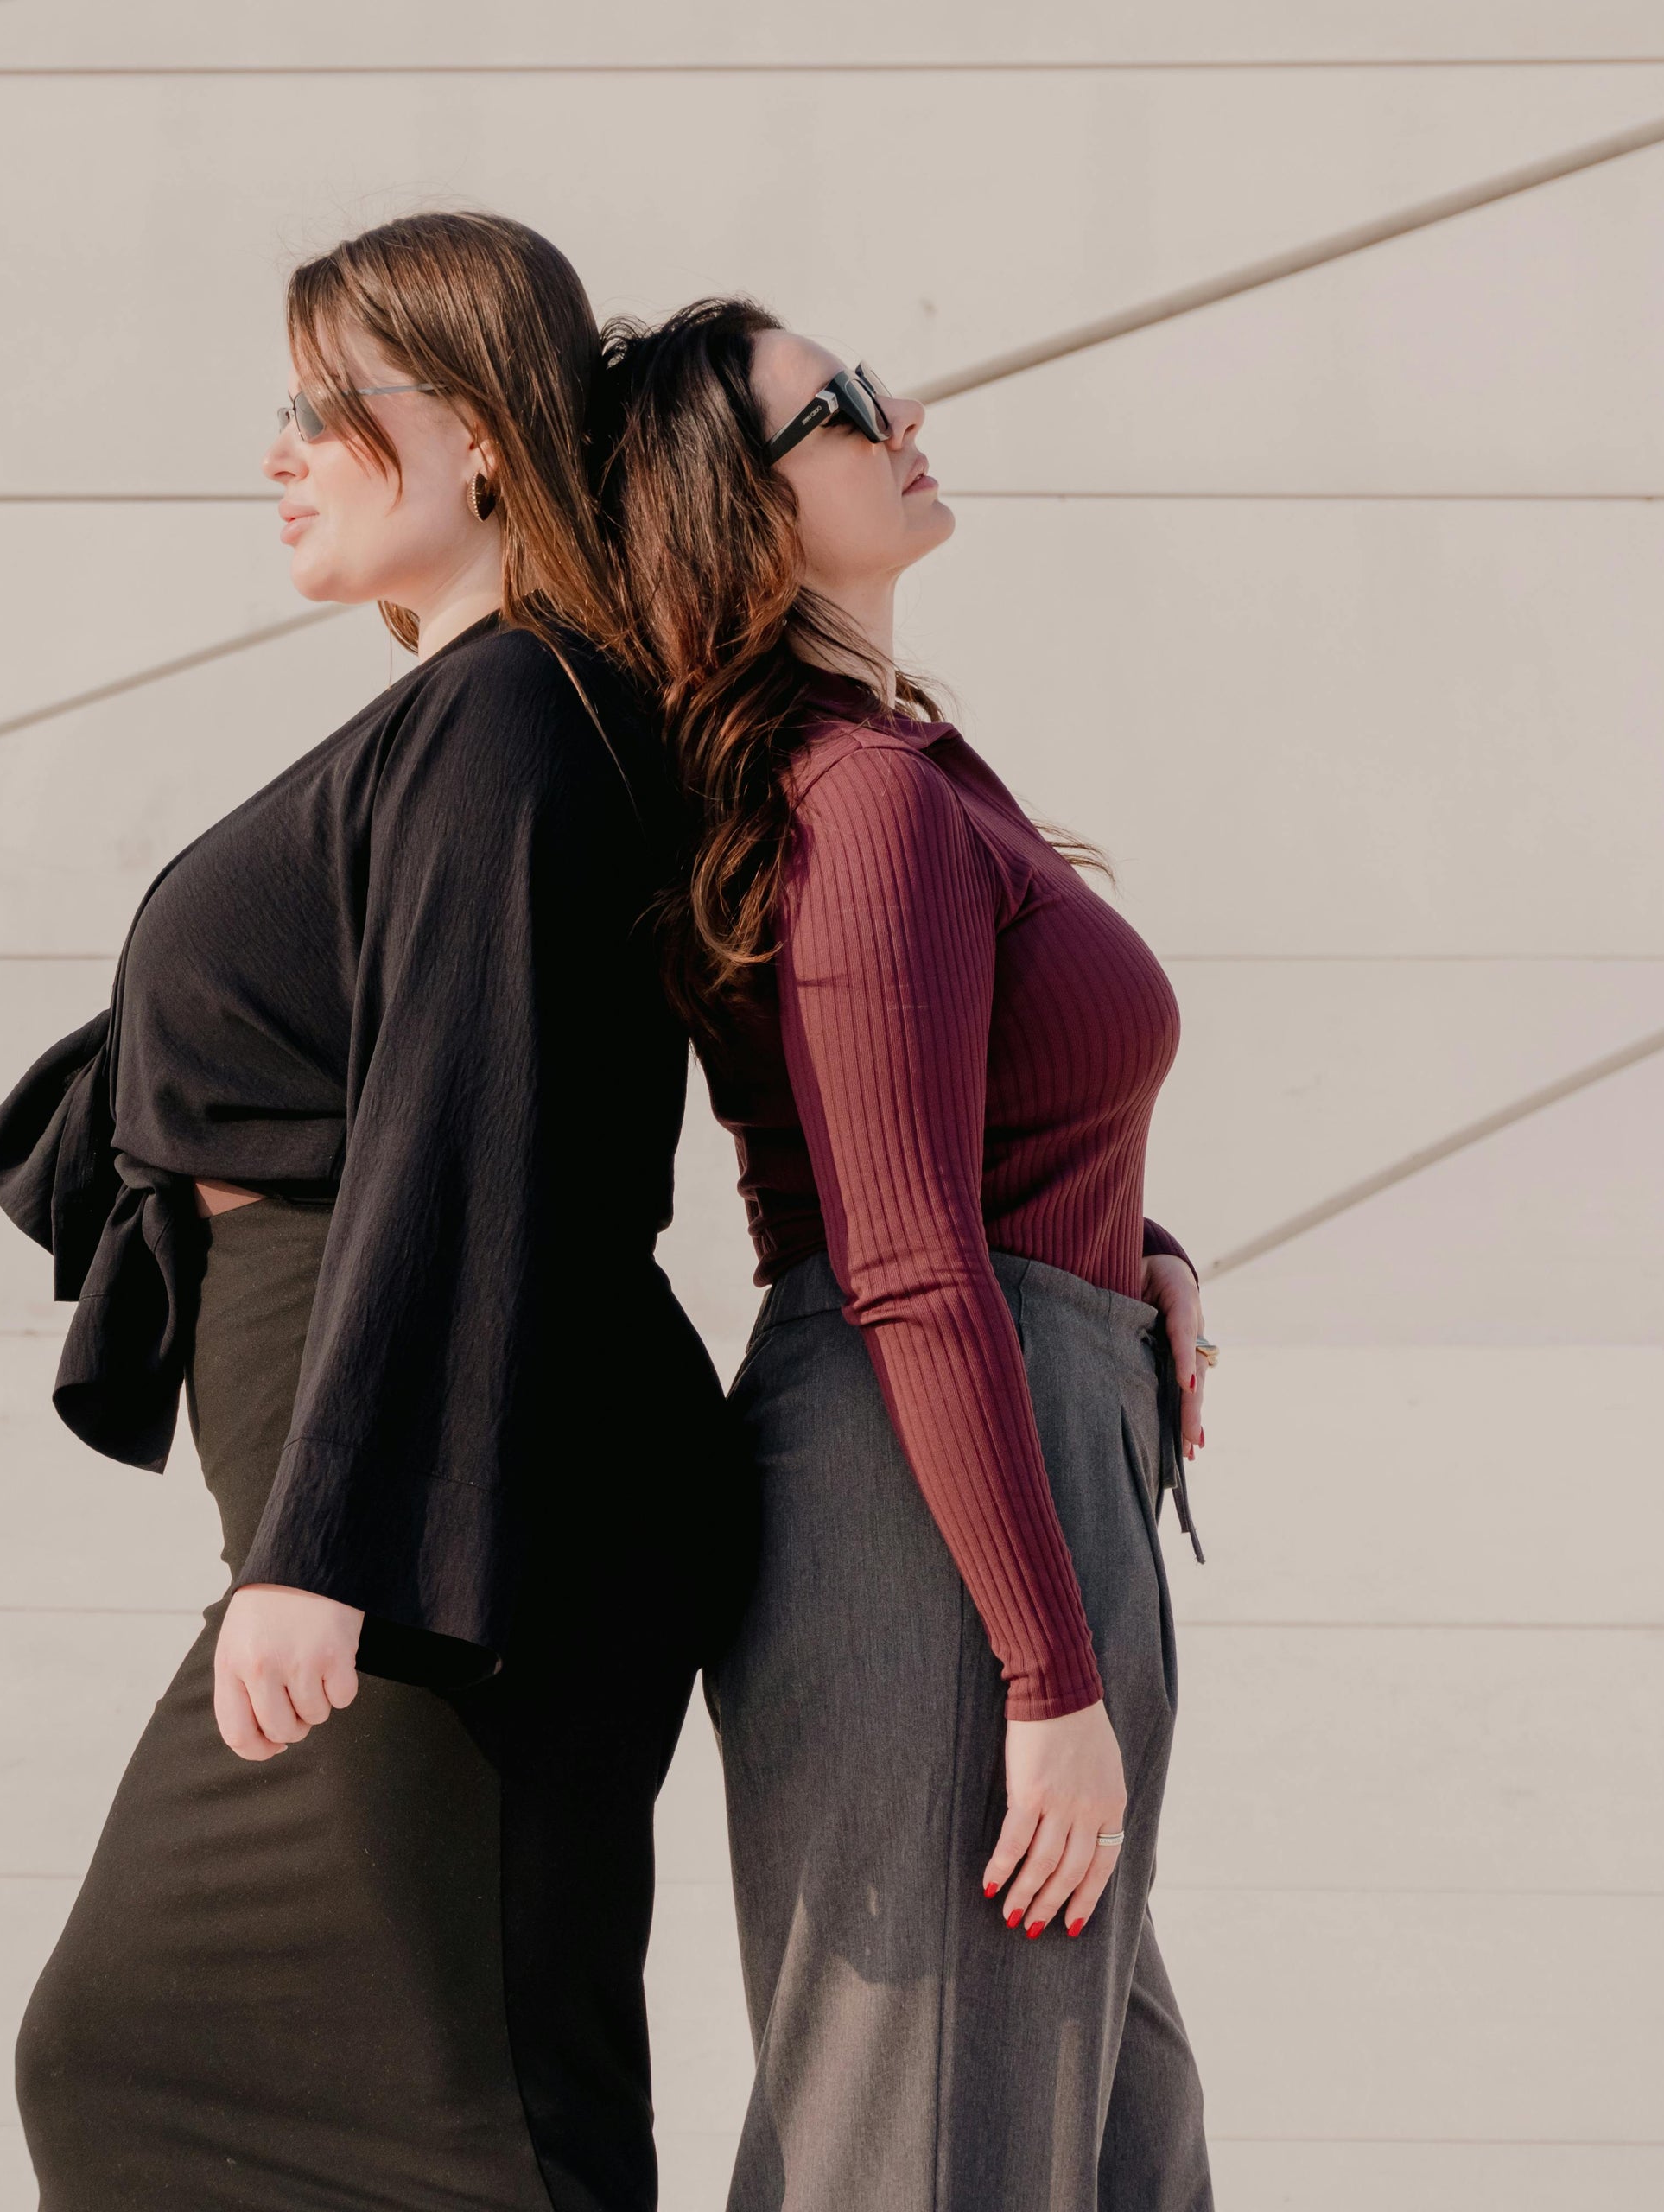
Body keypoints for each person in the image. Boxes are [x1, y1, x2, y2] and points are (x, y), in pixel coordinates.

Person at [0, 214, 747, 2212]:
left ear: (483, 434)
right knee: (198, 2054)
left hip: (453, 1512)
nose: (284, 448)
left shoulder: (512, 715)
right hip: (411, 1490)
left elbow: (463, 1129)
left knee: (465, 2101)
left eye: (333, 405)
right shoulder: (474, 720)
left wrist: (333, 1542)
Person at [600, 297, 1219, 2210]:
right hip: (944, 1499)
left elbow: (961, 1138)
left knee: (1110, 2145)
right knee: (925, 2145)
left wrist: (1135, 1250)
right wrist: (1045, 1670)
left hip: (1020, 1439)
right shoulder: (859, 803)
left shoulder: (903, 764)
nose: (907, 410)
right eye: (845, 407)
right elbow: (904, 1255)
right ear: (742, 510)